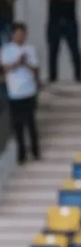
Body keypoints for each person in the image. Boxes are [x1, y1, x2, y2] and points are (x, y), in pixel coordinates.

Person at [0, 22, 40, 164]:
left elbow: (35, 68)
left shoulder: (30, 49)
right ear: (13, 35)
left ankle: (35, 152)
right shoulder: (6, 50)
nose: (20, 37)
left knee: (31, 123)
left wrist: (26, 63)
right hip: (15, 93)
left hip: (29, 91)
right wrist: (17, 62)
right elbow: (5, 69)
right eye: (17, 34)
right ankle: (21, 155)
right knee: (18, 125)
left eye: (22, 34)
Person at [43, 0, 81, 82]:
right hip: (54, 21)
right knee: (53, 50)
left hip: (70, 20)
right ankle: (52, 78)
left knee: (74, 49)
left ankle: (78, 77)